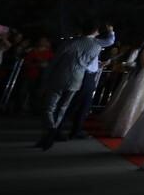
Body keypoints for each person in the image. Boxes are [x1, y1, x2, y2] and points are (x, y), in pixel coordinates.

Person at [37, 21, 115, 150]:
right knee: (63, 107)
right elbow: (107, 43)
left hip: (61, 76)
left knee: (50, 106)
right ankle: (52, 131)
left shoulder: (71, 43)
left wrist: (46, 77)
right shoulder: (96, 46)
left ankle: (51, 129)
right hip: (77, 78)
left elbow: (55, 61)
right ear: (95, 31)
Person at [64, 22, 117, 140]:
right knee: (82, 104)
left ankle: (65, 128)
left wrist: (98, 64)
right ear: (95, 31)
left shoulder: (77, 41)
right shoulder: (93, 42)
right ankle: (71, 129)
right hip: (86, 75)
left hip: (80, 74)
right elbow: (110, 41)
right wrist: (111, 30)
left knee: (74, 103)